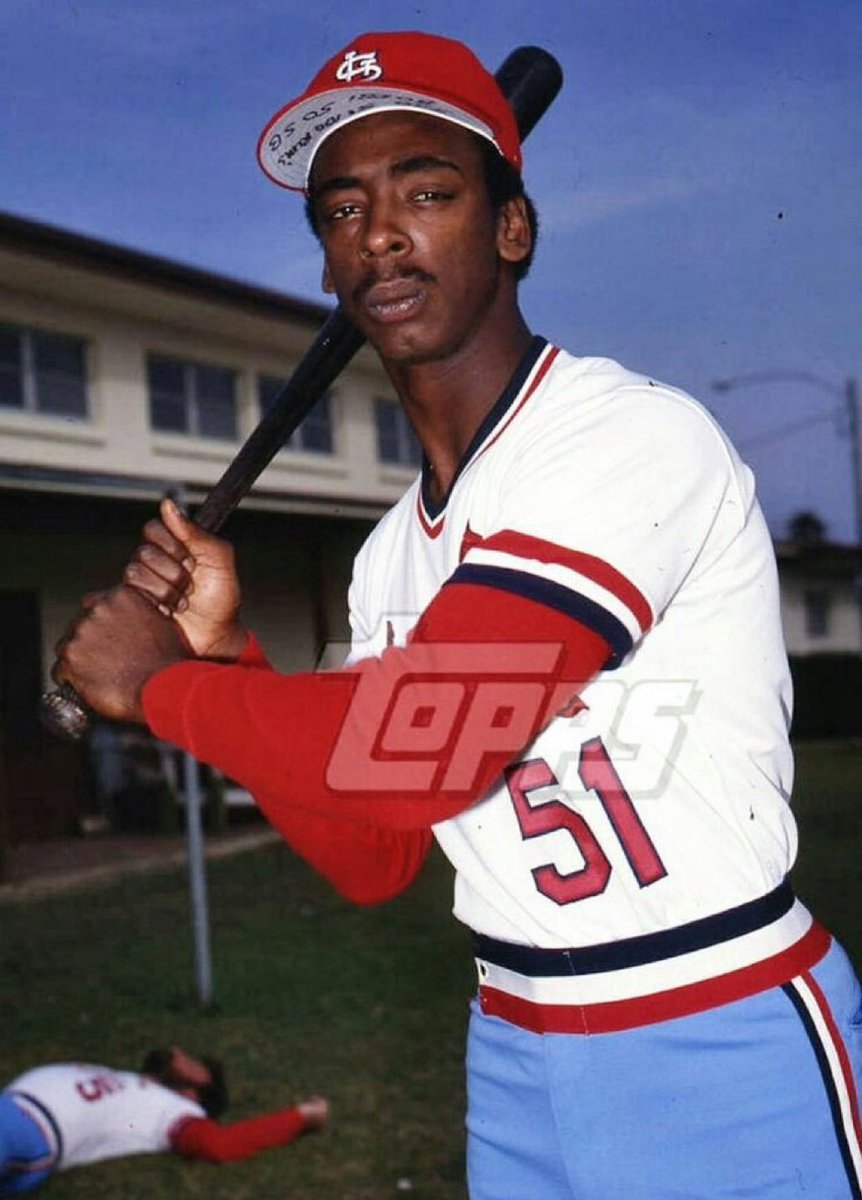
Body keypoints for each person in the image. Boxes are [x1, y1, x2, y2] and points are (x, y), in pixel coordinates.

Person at [52, 30, 862, 1200]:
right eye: (342, 211)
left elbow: (420, 750)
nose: (379, 232)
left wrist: (162, 686)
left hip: (718, 1023)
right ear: (329, 264)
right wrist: (228, 651)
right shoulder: (389, 558)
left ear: (510, 229)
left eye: (427, 192)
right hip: (516, 1039)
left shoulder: (624, 437)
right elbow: (373, 849)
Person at [0, 1045, 328, 1195]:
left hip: (27, 1130)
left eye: (192, 1061)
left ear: (196, 1093)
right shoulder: (132, 1081)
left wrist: (301, 1117)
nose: (179, 1052)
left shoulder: (174, 1111)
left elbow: (219, 1144)